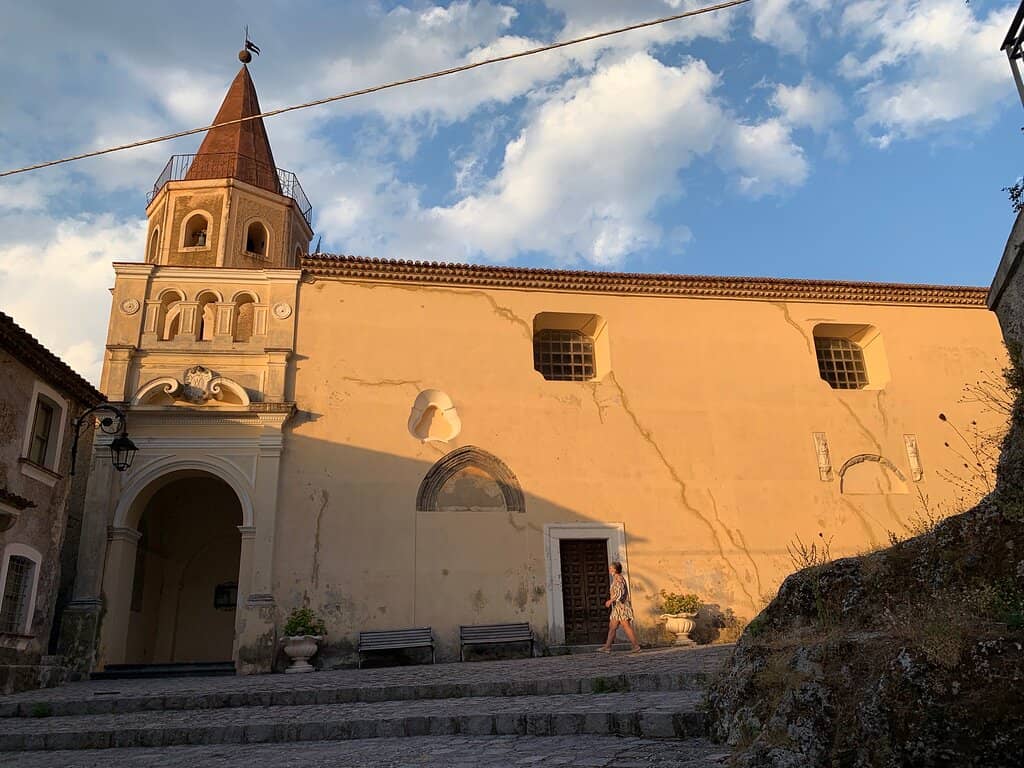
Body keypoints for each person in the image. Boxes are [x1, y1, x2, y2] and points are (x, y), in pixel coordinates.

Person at [597, 561, 641, 653]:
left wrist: (610, 601)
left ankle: (636, 646)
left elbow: (620, 593)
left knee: (626, 626)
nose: (609, 569)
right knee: (612, 626)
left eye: (611, 568)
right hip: (617, 607)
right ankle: (607, 647)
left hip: (622, 606)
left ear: (615, 569)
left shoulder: (619, 579)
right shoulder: (616, 578)